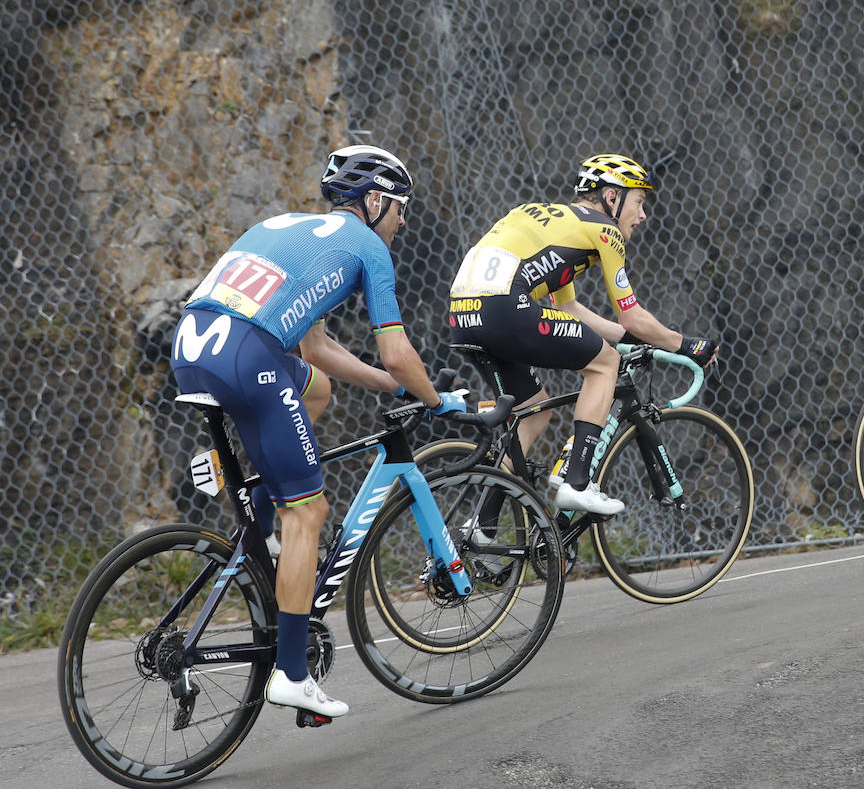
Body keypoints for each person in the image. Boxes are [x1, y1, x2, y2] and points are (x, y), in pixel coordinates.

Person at [169, 145, 466, 718]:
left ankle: (257, 499)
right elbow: (399, 352)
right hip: (245, 354)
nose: (402, 222)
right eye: (400, 209)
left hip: (193, 343)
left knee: (316, 389)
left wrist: (391, 388)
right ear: (375, 200)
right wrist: (435, 399)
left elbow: (318, 350)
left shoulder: (291, 231)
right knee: (309, 511)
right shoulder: (367, 248)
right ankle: (292, 674)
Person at [447, 153, 719, 516]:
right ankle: (577, 483)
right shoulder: (603, 230)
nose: (643, 215)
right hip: (504, 308)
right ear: (612, 197)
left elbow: (568, 310)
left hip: (464, 315)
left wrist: (634, 339)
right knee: (605, 364)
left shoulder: (550, 219)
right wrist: (688, 346)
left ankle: (481, 528)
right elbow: (632, 315)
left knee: (532, 413)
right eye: (638, 202)